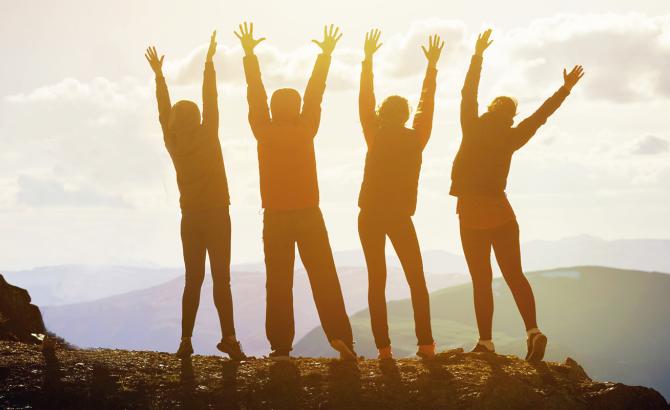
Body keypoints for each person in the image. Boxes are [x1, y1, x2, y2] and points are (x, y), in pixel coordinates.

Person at [451, 29, 584, 362]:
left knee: (481, 280)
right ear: (510, 115)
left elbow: (468, 93)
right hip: (502, 212)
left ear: (491, 109)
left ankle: (485, 343)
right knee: (515, 275)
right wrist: (565, 89)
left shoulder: (471, 125)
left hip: (471, 213)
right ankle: (533, 332)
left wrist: (477, 56)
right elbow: (541, 116)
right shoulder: (513, 135)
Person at [235, 22, 356, 361]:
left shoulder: (263, 130)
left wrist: (249, 56)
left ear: (274, 108)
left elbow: (254, 93)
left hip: (275, 216)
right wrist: (325, 56)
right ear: (297, 107)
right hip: (309, 213)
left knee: (278, 281)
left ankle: (281, 347)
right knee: (324, 276)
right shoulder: (306, 129)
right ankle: (340, 337)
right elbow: (315, 93)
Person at [145, 32, 246, 360]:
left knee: (193, 280)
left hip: (190, 217)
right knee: (222, 280)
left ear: (176, 121)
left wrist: (160, 77)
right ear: (199, 118)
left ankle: (185, 341)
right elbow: (211, 100)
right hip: (217, 214)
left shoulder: (172, 141)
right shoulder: (208, 134)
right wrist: (208, 65)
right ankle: (229, 338)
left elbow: (164, 112)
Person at [357, 29, 443, 360]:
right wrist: (431, 68)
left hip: (370, 215)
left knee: (376, 280)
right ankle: (426, 346)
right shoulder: (417, 136)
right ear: (405, 115)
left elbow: (364, 101)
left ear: (382, 114)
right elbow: (427, 104)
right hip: (399, 216)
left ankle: (384, 350)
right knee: (416, 280)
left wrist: (367, 61)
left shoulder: (374, 134)